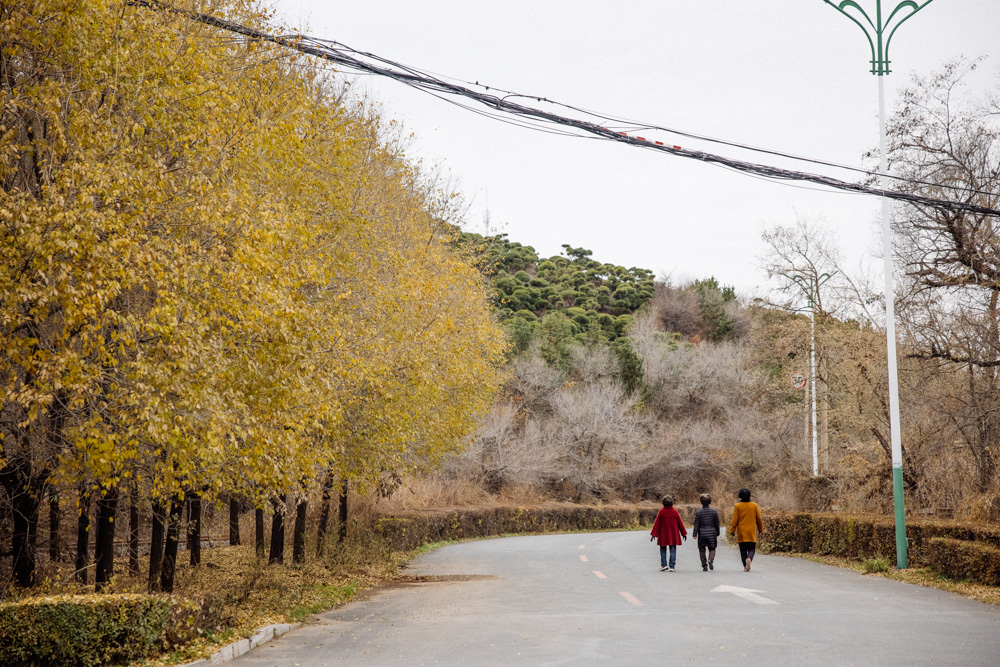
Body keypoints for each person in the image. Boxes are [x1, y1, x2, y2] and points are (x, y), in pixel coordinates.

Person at [728, 488, 763, 571]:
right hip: (751, 531)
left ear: (740, 497)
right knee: (751, 549)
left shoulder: (738, 506)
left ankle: (745, 566)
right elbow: (758, 519)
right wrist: (760, 529)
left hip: (741, 531)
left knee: (742, 550)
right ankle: (749, 559)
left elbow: (734, 519)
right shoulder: (754, 505)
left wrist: (732, 530)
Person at [650, 495, 687, 571]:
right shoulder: (675, 512)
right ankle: (672, 566)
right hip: (673, 534)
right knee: (673, 549)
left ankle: (664, 565)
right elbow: (680, 524)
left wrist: (654, 534)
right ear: (672, 503)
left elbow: (657, 524)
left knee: (663, 549)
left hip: (663, 534)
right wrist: (683, 533)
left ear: (663, 503)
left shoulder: (661, 512)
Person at [692, 493, 720, 572]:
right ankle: (710, 560)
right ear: (710, 502)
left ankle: (704, 565)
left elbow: (696, 524)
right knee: (712, 548)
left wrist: (695, 534)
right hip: (712, 532)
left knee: (702, 549)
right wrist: (717, 532)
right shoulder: (714, 512)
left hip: (702, 533)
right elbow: (717, 523)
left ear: (701, 502)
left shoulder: (699, 512)